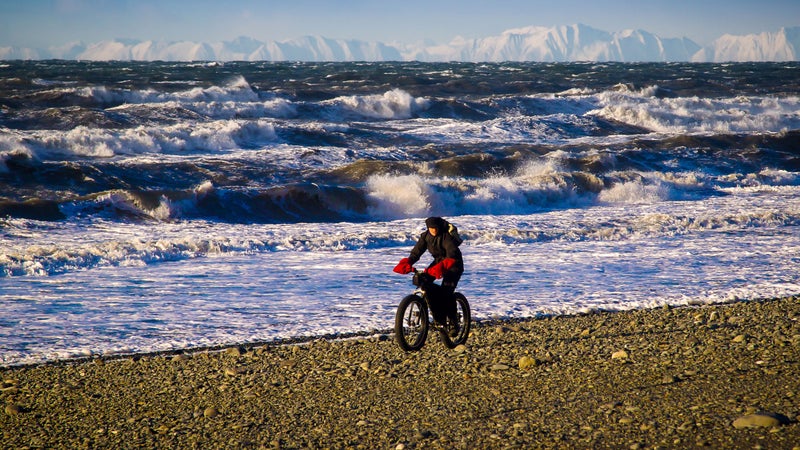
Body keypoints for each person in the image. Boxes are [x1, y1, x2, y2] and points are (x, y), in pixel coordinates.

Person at [393, 216, 464, 335]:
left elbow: (452, 253)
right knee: (423, 281)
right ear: (428, 228)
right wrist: (408, 262)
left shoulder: (446, 236)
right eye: (431, 229)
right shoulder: (425, 236)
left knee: (447, 292)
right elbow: (417, 252)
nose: (434, 231)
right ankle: (436, 311)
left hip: (453, 264)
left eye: (435, 228)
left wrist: (441, 267)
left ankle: (453, 322)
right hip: (438, 262)